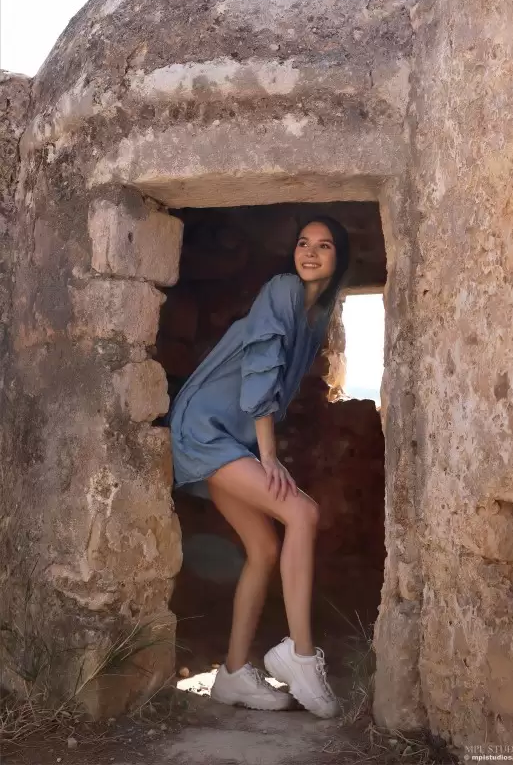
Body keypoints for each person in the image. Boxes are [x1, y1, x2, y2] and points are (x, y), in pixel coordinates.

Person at [169, 216, 350, 718]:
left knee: (265, 548)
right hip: (205, 428)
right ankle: (301, 656)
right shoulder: (283, 290)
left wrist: (259, 450)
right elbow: (260, 370)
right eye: (303, 243)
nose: (309, 252)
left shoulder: (316, 317)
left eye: (324, 246)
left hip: (230, 437)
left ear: (339, 259)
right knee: (303, 513)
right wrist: (268, 456)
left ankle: (231, 674)